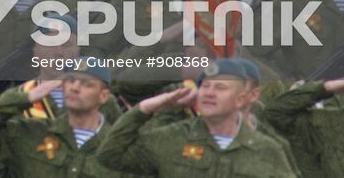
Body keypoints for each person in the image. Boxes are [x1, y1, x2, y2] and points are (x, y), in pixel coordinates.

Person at [95, 59, 299, 176]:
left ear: (241, 99)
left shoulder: (267, 149)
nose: (209, 93)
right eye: (205, 86)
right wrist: (143, 110)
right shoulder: (174, 137)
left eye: (220, 88)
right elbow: (111, 155)